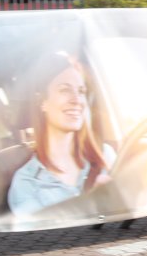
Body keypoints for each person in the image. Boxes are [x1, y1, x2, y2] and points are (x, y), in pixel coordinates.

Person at [7, 52, 115, 219]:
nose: (77, 100)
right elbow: (44, 234)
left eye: (81, 91)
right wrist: (92, 205)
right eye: (65, 90)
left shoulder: (105, 156)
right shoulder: (26, 183)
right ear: (43, 102)